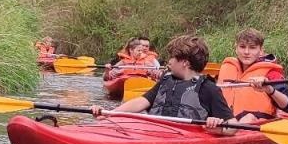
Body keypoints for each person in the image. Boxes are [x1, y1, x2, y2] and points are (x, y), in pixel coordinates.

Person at [94, 34, 232, 128]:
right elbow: (141, 102)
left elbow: (231, 125)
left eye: (172, 58)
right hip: (156, 132)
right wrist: (110, 113)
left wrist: (217, 125)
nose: (168, 62)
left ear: (184, 63)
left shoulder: (209, 89)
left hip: (185, 139)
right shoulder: (166, 81)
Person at [216, 28, 288, 123]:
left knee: (248, 118)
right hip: (226, 119)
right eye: (242, 47)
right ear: (236, 48)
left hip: (255, 121)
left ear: (261, 50)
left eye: (252, 47)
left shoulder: (271, 73)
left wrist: (269, 89)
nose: (246, 52)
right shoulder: (228, 67)